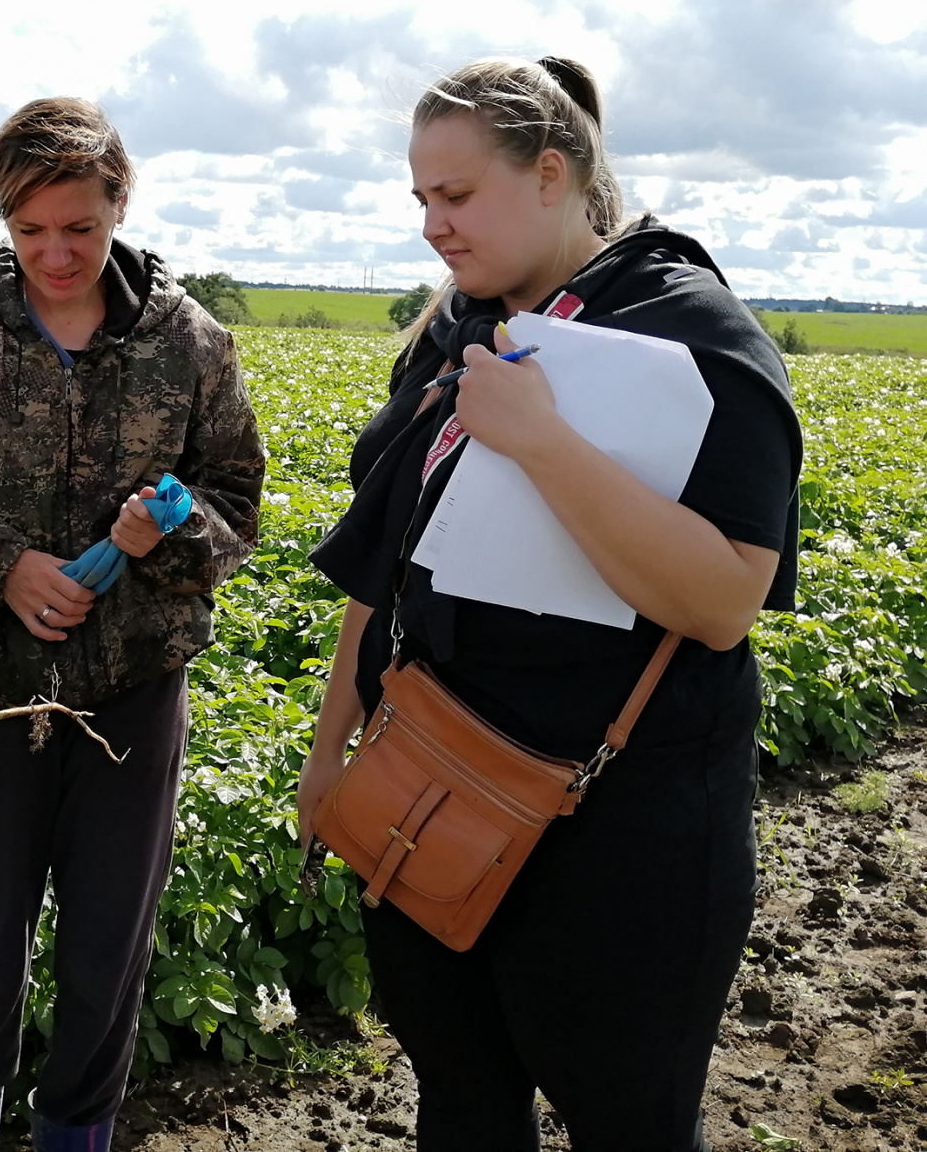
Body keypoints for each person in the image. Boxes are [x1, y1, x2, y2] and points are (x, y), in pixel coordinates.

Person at [296, 57, 802, 1152]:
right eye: (421, 197)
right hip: (430, 785)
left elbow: (723, 600)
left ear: (553, 173)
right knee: (463, 1102)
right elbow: (389, 565)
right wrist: (332, 743)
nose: (433, 223)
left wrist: (539, 438)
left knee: (629, 1118)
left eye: (458, 194)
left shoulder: (696, 334)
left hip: (619, 831)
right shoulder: (455, 330)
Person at [0, 98, 265, 1152]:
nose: (55, 253)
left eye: (80, 226)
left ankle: (77, 1133)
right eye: (30, 230)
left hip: (134, 691)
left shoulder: (191, 343)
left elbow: (237, 509)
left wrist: (173, 530)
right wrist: (4, 567)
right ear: (3, 219)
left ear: (121, 204)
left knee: (109, 948)